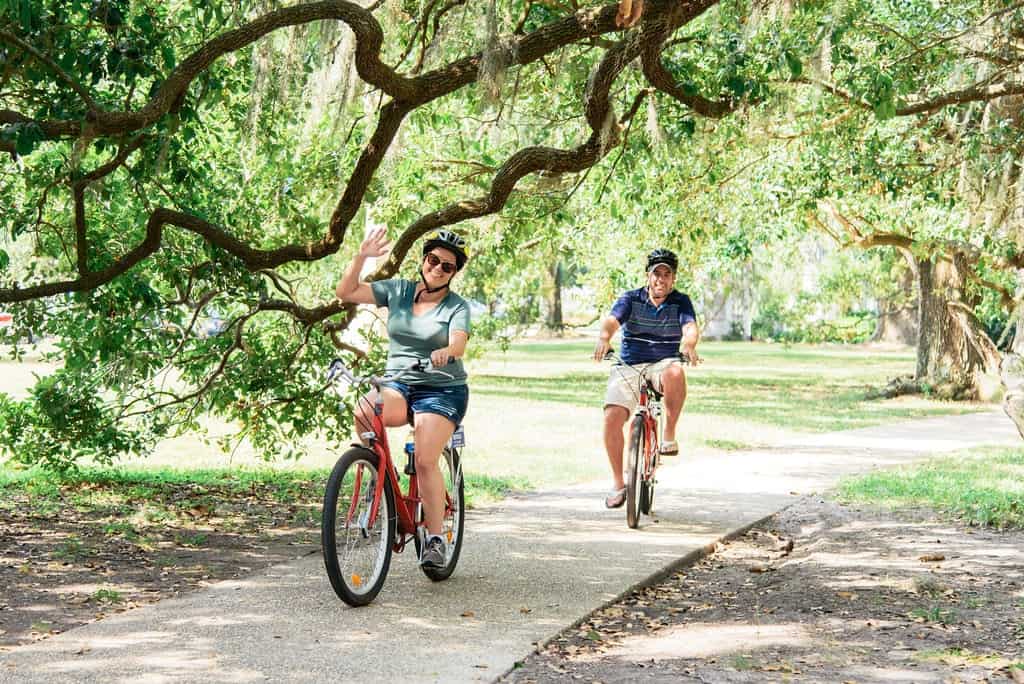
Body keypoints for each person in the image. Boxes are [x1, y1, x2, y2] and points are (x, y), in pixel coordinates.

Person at [335, 227, 471, 568]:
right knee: (366, 411)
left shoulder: (457, 306)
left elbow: (459, 342)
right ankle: (378, 477)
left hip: (442, 387)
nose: (438, 268)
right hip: (399, 381)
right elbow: (346, 291)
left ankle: (436, 538)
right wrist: (362, 256)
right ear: (423, 260)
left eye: (447, 266)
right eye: (433, 260)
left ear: (454, 273)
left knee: (426, 459)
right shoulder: (398, 290)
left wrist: (447, 351)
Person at [592, 248, 700, 509]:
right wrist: (605, 338)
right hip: (629, 363)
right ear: (647, 276)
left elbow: (690, 327)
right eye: (656, 274)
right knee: (611, 418)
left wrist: (688, 344)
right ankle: (619, 483)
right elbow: (611, 321)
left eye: (667, 274)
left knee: (676, 371)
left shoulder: (681, 301)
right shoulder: (630, 298)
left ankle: (669, 435)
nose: (660, 279)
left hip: (663, 363)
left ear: (673, 279)